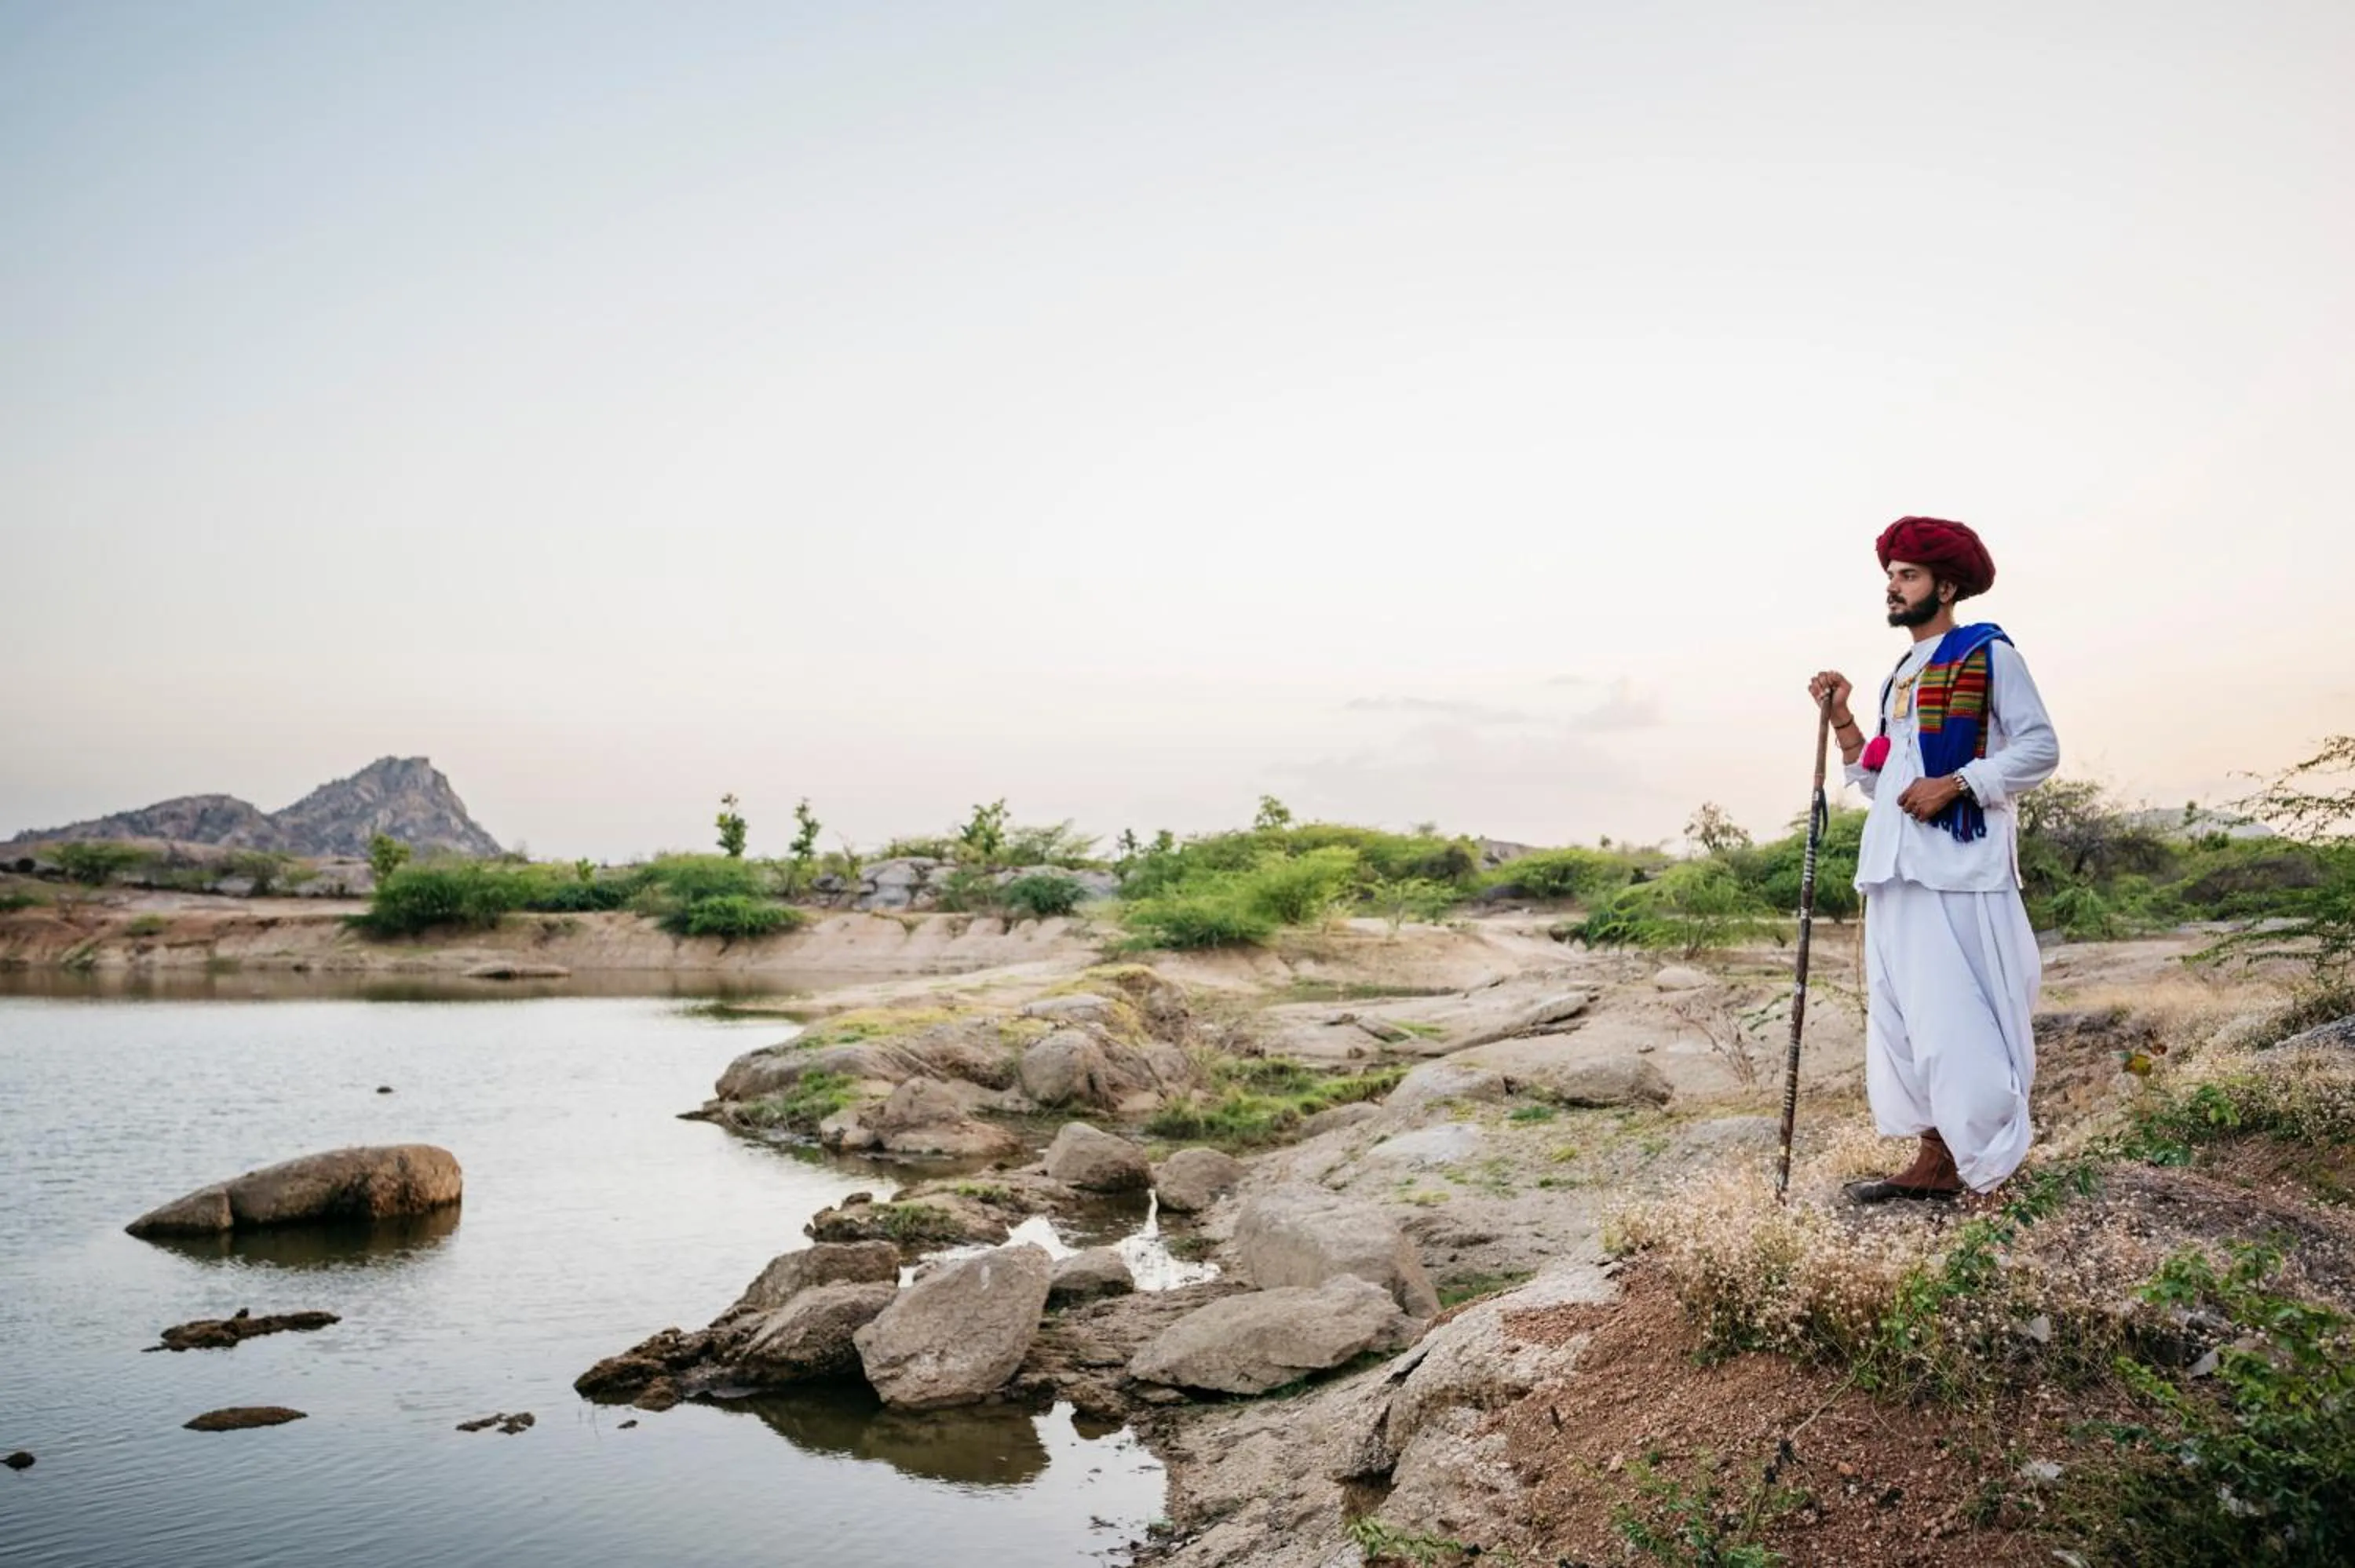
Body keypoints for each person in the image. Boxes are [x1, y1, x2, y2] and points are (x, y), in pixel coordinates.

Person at [1806, 517, 2059, 1202]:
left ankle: (1988, 1162)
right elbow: (1878, 778)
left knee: (1959, 1021)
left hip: (1959, 869)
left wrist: (1957, 784)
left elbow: (2040, 749)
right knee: (1908, 1020)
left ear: (1946, 586)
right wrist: (1842, 716)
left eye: (1908, 576)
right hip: (1895, 869)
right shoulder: (1900, 675)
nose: (1893, 587)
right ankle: (1936, 1158)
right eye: (1890, 576)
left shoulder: (1988, 654)